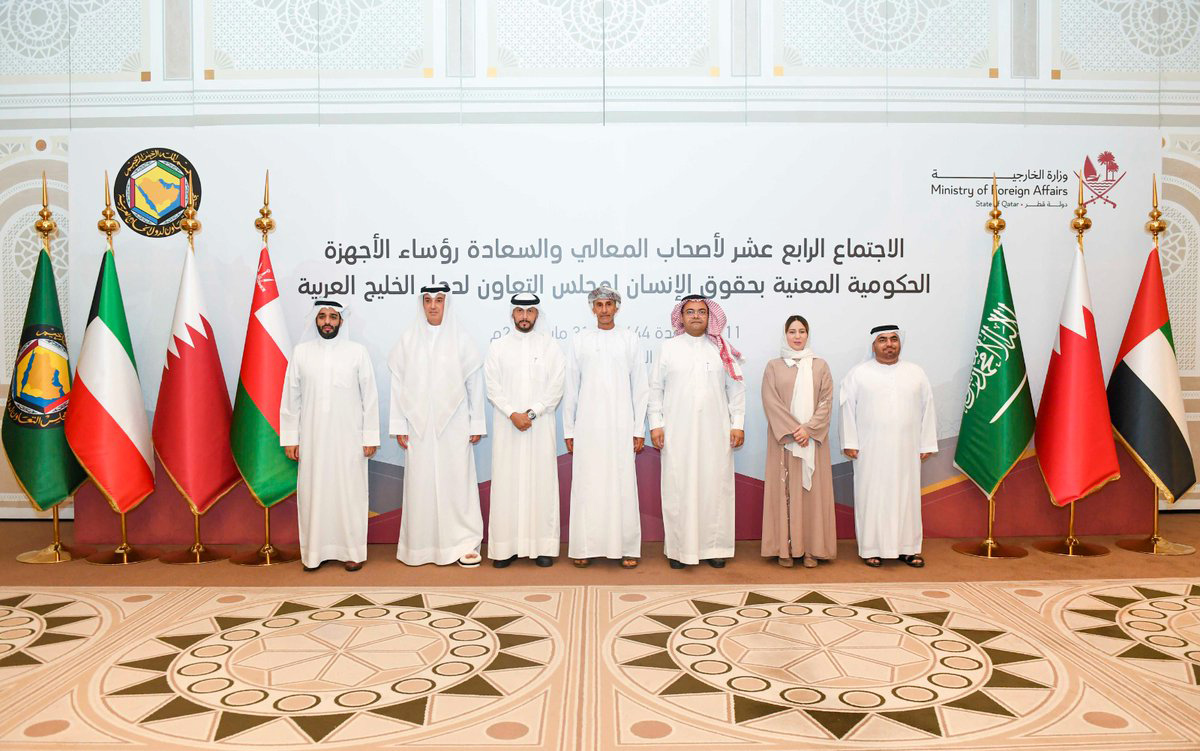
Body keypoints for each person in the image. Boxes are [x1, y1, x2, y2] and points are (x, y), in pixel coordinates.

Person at [388, 283, 487, 567]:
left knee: (457, 483)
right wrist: (399, 426)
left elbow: (473, 383)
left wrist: (476, 423)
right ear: (422, 304)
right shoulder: (408, 340)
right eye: (428, 300)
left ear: (447, 304)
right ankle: (420, 547)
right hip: (418, 427)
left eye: (439, 300)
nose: (433, 306)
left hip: (455, 425)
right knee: (421, 485)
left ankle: (464, 542)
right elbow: (398, 384)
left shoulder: (462, 340)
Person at [280, 299, 379, 572]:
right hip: (312, 440)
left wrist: (370, 436)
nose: (327, 321)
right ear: (315, 320)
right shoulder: (301, 353)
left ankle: (352, 552)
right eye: (322, 316)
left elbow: (369, 398)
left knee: (350, 493)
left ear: (341, 321)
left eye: (332, 317)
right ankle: (314, 554)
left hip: (349, 439)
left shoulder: (357, 352)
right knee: (314, 493)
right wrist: (290, 438)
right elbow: (291, 399)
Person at [648, 295, 745, 569]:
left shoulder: (721, 349)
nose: (695, 316)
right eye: (689, 312)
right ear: (681, 318)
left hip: (717, 433)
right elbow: (655, 389)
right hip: (677, 432)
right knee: (678, 488)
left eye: (701, 312)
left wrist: (737, 424)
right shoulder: (668, 348)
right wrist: (656, 423)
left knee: (715, 488)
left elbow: (736, 390)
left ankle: (715, 547)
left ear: (709, 317)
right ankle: (679, 550)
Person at [563, 284, 648, 568]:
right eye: (598, 305)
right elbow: (571, 387)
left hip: (622, 425)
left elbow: (640, 387)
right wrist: (569, 429)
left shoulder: (630, 339)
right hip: (587, 426)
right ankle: (584, 547)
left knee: (622, 483)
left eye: (608, 305)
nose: (604, 310)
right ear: (592, 308)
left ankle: (626, 548)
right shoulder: (580, 340)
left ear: (617, 308)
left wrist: (638, 429)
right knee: (588, 484)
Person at [840, 324, 937, 568]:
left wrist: (926, 442)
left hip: (907, 449)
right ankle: (871, 548)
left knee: (907, 498)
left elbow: (928, 409)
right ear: (873, 345)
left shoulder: (916, 373)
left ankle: (909, 548)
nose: (889, 344)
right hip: (870, 451)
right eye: (882, 340)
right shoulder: (858, 373)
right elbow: (847, 410)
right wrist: (849, 441)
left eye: (893, 339)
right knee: (872, 497)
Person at [484, 293, 566, 568]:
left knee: (540, 483)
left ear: (537, 315)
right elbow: (492, 385)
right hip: (508, 426)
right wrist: (512, 413)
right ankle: (506, 548)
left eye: (530, 311)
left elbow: (556, 386)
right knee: (507, 484)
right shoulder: (498, 346)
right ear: (512, 315)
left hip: (539, 425)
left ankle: (542, 547)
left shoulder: (550, 346)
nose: (524, 316)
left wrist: (532, 412)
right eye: (519, 311)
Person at [760, 315, 836, 568]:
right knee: (785, 492)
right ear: (785, 335)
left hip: (812, 441)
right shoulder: (774, 366)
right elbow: (771, 401)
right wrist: (795, 430)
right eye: (792, 331)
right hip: (785, 441)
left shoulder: (820, 365)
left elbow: (826, 401)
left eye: (802, 331)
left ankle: (812, 549)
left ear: (807, 334)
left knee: (812, 493)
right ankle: (786, 548)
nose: (797, 336)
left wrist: (809, 429)